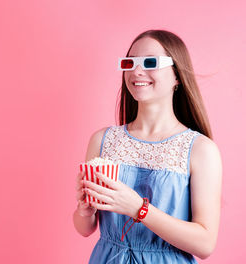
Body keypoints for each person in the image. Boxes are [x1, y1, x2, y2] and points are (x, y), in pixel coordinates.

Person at [72, 29, 222, 263]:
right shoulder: (102, 140)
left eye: (150, 62)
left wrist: (137, 208)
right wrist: (85, 211)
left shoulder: (201, 150)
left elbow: (205, 244)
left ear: (177, 76)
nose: (136, 71)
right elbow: (85, 228)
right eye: (130, 62)